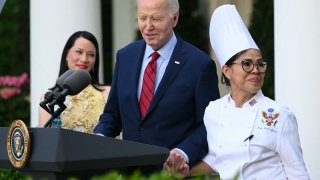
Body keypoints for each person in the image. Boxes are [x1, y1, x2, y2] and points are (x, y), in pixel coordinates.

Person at [177, 4, 310, 179]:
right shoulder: (214, 111)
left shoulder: (280, 115)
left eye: (260, 64)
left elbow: (297, 173)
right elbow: (218, 158)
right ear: (227, 71)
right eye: (247, 64)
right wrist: (187, 173)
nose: (256, 70)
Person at [93, 0, 220, 175]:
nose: (148, 26)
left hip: (172, 175)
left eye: (157, 19)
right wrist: (98, 140)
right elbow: (112, 115)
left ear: (175, 18)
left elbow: (209, 126)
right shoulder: (125, 57)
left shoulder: (199, 65)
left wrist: (182, 153)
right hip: (131, 175)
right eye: (142, 18)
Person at [38, 31, 111, 133]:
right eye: (79, 52)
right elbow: (45, 138)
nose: (84, 59)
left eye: (91, 55)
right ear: (66, 55)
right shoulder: (49, 97)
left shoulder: (107, 93)